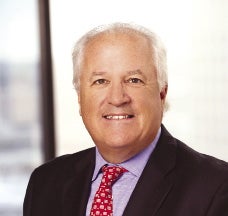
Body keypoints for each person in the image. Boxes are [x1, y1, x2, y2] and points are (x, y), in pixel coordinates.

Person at [23, 23, 228, 216]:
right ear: (80, 97)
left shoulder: (217, 187)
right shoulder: (45, 182)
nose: (117, 98)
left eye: (134, 80)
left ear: (162, 93)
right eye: (100, 81)